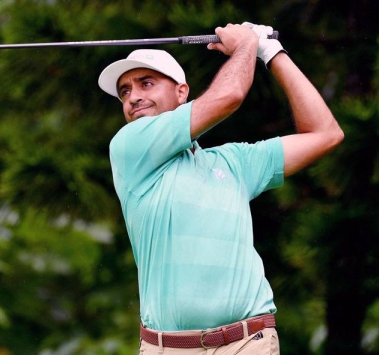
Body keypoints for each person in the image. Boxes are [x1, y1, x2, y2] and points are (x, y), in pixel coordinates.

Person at [97, 22, 344, 354]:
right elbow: (230, 95)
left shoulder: (234, 163)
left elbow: (325, 133)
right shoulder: (130, 147)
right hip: (168, 349)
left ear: (181, 92)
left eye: (146, 83)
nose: (134, 97)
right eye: (125, 91)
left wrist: (271, 53)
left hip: (247, 343)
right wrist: (246, 45)